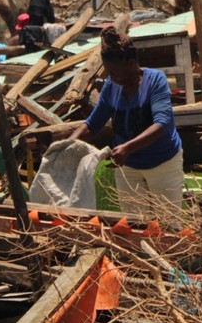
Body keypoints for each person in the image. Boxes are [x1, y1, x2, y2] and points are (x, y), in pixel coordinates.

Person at [69, 27, 184, 215]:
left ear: (131, 63)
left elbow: (162, 124)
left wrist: (127, 148)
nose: (112, 77)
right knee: (134, 224)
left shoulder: (155, 81)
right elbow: (93, 123)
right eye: (108, 72)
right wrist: (69, 144)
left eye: (115, 72)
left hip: (163, 164)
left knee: (167, 224)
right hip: (128, 167)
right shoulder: (110, 87)